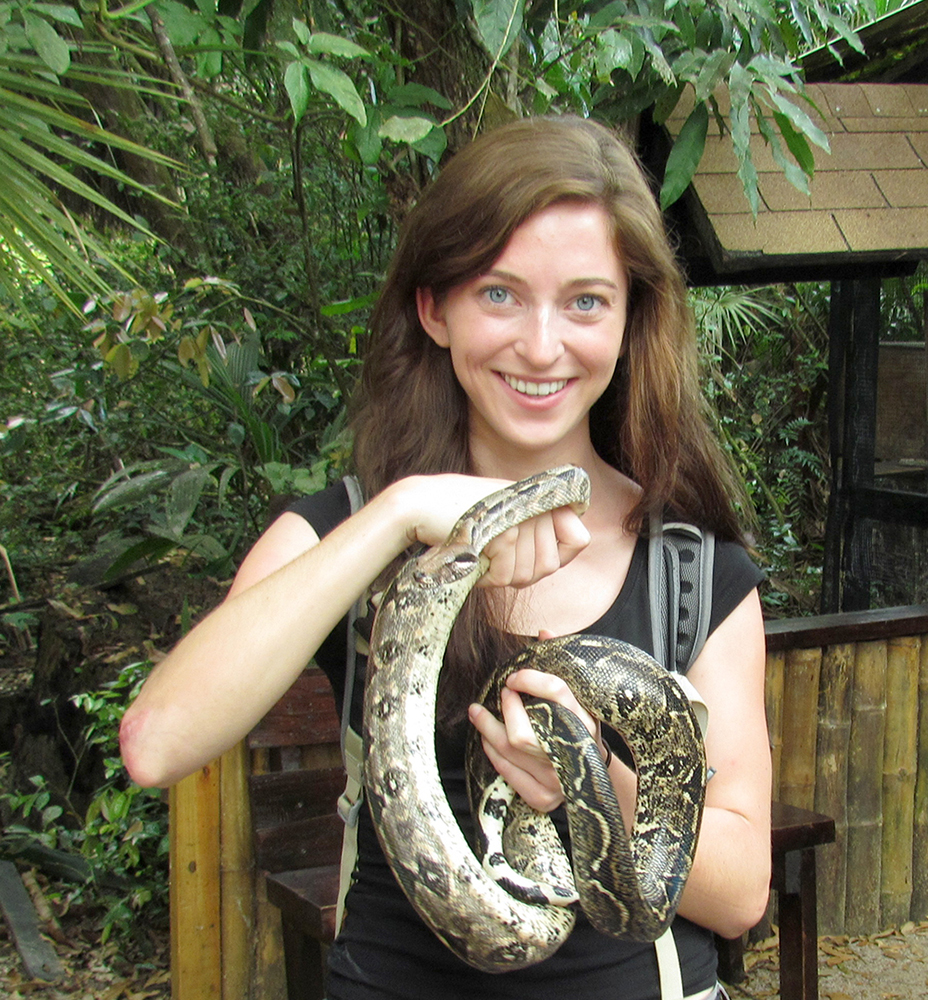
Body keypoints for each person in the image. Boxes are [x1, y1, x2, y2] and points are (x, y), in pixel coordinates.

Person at [120, 115, 771, 1000]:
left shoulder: (692, 574)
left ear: (628, 322)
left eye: (586, 301)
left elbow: (740, 895)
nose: (541, 347)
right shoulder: (350, 530)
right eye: (499, 294)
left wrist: (586, 778)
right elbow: (158, 743)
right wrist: (402, 513)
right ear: (435, 308)